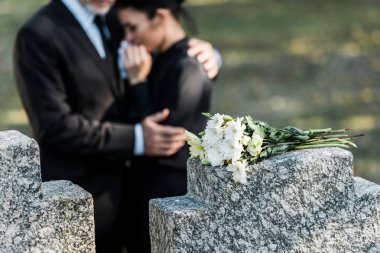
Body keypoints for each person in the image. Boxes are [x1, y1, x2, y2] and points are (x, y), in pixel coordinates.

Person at [13, 0, 220, 252]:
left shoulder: (117, 16)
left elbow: (162, 46)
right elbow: (53, 125)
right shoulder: (37, 34)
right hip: (79, 202)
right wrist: (136, 138)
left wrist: (207, 56)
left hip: (134, 199)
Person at [115, 0, 212, 252]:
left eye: (132, 28)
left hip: (167, 201)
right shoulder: (157, 59)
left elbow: (162, 141)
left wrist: (138, 84)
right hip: (146, 199)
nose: (129, 38)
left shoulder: (187, 67)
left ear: (159, 17)